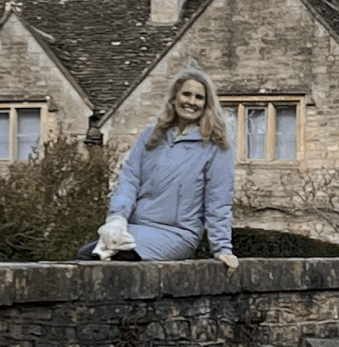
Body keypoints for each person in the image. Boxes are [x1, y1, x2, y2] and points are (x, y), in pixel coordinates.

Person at [93, 68, 239, 268]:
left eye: (199, 97)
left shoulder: (216, 146)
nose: (191, 101)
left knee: (118, 260)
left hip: (177, 233)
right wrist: (117, 219)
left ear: (207, 104)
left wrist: (222, 248)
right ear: (174, 97)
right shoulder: (150, 136)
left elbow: (218, 201)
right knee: (87, 256)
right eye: (186, 94)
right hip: (134, 228)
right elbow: (129, 180)